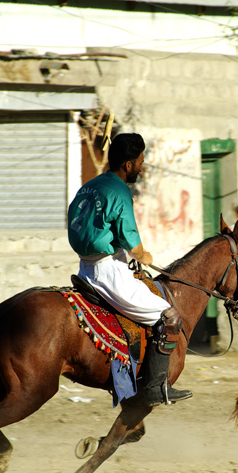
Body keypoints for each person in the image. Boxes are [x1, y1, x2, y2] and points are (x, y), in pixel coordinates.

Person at [67, 132, 192, 406]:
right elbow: (129, 236)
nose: (142, 166)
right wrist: (142, 254)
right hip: (109, 273)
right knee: (170, 316)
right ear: (128, 165)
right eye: (140, 161)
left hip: (86, 267)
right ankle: (157, 387)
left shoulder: (89, 186)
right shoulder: (120, 190)